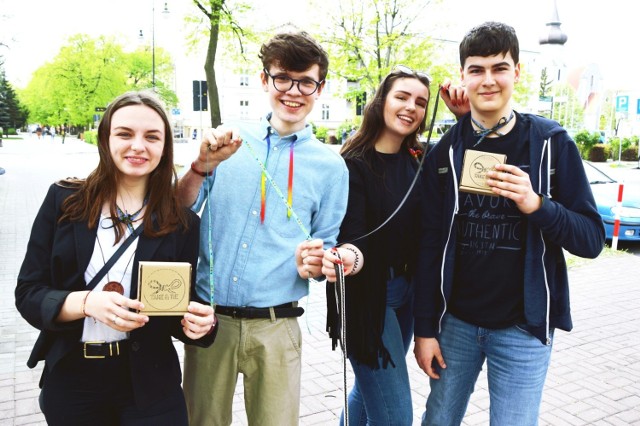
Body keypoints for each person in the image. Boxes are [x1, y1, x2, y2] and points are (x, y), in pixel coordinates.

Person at [413, 21, 605, 425]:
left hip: (523, 329)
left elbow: (591, 240)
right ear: (463, 76)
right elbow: (429, 245)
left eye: (499, 68)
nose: (488, 80)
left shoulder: (551, 142)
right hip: (456, 325)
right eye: (476, 69)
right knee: (438, 420)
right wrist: (424, 329)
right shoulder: (446, 150)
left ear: (517, 72)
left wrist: (537, 204)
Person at [15, 90, 217, 426]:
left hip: (150, 386)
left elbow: (179, 304)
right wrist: (86, 303)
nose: (138, 146)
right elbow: (29, 293)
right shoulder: (64, 201)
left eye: (152, 136)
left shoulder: (181, 222)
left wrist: (202, 325)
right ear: (105, 139)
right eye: (125, 133)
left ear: (164, 147)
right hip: (73, 381)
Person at [178, 31, 349, 426]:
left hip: (278, 326)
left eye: (306, 81)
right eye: (282, 78)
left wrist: (315, 263)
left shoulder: (331, 168)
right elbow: (177, 209)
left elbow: (325, 251)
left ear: (319, 88)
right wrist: (200, 166)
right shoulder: (228, 140)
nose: (294, 91)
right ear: (263, 80)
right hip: (209, 321)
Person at [320, 65, 432, 425]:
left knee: (368, 395)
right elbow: (351, 236)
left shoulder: (419, 162)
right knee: (396, 416)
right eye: (402, 97)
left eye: (420, 102)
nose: (411, 107)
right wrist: (348, 256)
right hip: (368, 297)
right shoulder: (353, 164)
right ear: (381, 101)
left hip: (406, 295)